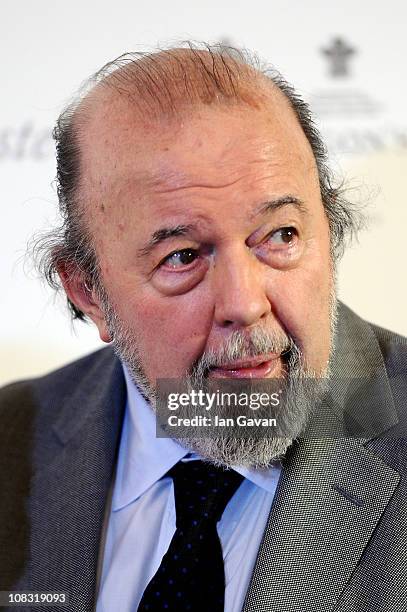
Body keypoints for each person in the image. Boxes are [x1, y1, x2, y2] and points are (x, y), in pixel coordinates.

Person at [0, 43, 406, 612]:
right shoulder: (11, 438)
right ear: (88, 293)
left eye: (281, 236)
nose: (244, 304)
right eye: (183, 257)